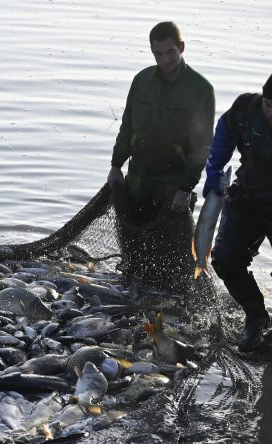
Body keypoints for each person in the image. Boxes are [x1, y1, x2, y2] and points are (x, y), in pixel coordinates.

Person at [107, 22, 215, 292]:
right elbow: (127, 125)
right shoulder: (141, 80)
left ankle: (176, 293)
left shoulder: (201, 89)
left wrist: (185, 188)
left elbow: (201, 146)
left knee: (175, 253)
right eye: (158, 54)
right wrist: (116, 165)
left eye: (170, 52)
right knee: (135, 248)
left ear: (181, 47)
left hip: (173, 185)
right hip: (138, 179)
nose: (165, 59)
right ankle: (135, 285)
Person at [205, 67, 272, 352]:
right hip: (248, 197)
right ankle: (255, 316)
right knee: (224, 257)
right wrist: (214, 169)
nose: (271, 113)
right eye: (268, 105)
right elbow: (224, 132)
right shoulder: (247, 109)